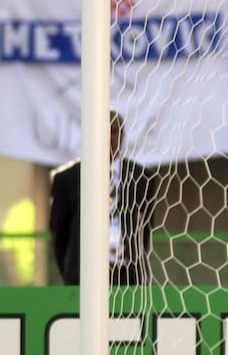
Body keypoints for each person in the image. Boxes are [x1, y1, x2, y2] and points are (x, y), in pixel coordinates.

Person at [50, 112, 161, 286]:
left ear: (122, 136)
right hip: (84, 277)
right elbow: (59, 233)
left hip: (127, 277)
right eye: (104, 131)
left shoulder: (141, 178)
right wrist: (70, 273)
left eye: (114, 131)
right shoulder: (68, 179)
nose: (109, 137)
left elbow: (146, 229)